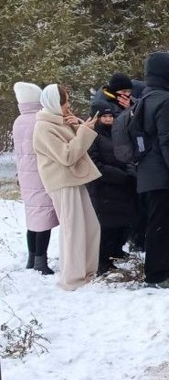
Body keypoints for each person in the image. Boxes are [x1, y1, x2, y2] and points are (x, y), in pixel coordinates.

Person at [32, 84, 102, 290]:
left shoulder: (58, 120)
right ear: (55, 103)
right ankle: (72, 278)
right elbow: (67, 155)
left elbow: (75, 144)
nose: (68, 105)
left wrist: (79, 125)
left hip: (73, 180)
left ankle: (86, 271)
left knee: (89, 226)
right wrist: (83, 131)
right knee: (73, 230)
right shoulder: (44, 127)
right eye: (65, 102)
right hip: (62, 182)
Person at [136, 51, 169, 290]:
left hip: (150, 170)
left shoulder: (147, 97)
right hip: (162, 173)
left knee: (159, 222)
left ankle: (161, 271)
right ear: (164, 72)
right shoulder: (165, 101)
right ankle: (157, 275)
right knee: (162, 224)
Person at [13, 81, 59, 275]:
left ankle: (32, 258)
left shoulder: (19, 121)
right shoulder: (40, 120)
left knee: (33, 218)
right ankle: (41, 261)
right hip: (41, 174)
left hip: (26, 175)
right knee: (44, 219)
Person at [87, 101, 137, 275]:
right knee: (107, 227)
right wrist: (119, 175)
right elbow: (94, 165)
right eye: (104, 117)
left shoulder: (117, 134)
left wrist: (130, 171)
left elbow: (126, 154)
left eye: (111, 116)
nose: (108, 120)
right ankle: (103, 261)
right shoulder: (91, 136)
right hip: (104, 188)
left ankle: (116, 251)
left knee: (121, 224)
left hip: (122, 187)